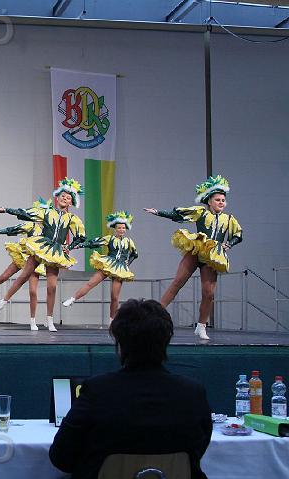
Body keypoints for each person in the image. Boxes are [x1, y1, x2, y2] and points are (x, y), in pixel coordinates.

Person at [49, 299, 212, 479]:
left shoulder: (98, 391)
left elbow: (61, 457)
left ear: (120, 344)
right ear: (166, 341)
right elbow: (197, 451)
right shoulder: (193, 393)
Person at [144, 175, 242, 340]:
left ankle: (201, 326)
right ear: (209, 201)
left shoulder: (229, 219)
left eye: (223, 200)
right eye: (217, 200)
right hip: (197, 250)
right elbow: (179, 215)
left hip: (212, 256)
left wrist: (229, 244)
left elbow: (238, 235)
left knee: (208, 293)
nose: (221, 202)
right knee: (178, 282)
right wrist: (158, 212)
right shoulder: (201, 212)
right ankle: (154, 316)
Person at [0, 178, 86, 332]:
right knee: (23, 276)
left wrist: (69, 247)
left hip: (55, 252)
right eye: (62, 196)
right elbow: (27, 213)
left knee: (52, 287)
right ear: (57, 197)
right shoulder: (47, 212)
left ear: (71, 202)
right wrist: (7, 210)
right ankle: (3, 302)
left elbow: (81, 236)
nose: (64, 198)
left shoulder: (72, 219)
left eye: (68, 198)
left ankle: (50, 320)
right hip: (41, 246)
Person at [0, 197, 50, 331]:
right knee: (4, 277)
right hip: (23, 255)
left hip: (37, 260)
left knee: (33, 291)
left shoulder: (50, 230)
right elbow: (12, 229)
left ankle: (32, 321)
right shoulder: (30, 225)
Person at [62, 211, 139, 322]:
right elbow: (93, 243)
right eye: (119, 228)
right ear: (115, 229)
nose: (121, 230)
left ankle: (112, 321)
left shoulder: (129, 241)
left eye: (123, 228)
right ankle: (72, 299)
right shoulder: (110, 238)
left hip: (120, 268)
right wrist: (75, 246)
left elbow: (135, 254)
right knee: (91, 283)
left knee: (114, 297)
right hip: (108, 264)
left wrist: (128, 262)